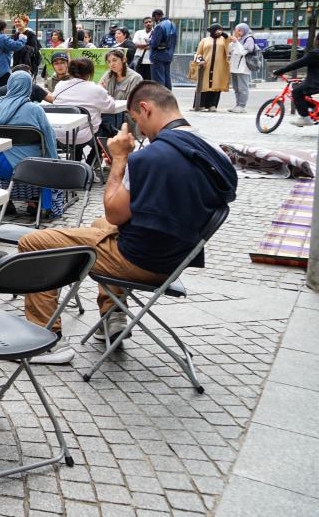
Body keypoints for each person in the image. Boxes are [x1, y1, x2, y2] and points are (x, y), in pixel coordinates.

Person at [17, 81, 237, 363]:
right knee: (98, 225)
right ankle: (113, 316)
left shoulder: (151, 158)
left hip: (142, 260)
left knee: (34, 242)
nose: (139, 131)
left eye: (136, 121)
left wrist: (120, 159)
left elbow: (115, 213)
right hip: (176, 254)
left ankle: (39, 339)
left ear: (145, 109)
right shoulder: (212, 149)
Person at [0, 72, 64, 220]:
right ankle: (36, 203)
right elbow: (49, 137)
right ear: (29, 87)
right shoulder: (35, 109)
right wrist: (55, 162)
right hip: (31, 167)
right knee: (45, 158)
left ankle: (6, 201)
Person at [49, 58, 116, 163]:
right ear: (90, 72)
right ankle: (89, 166)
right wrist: (104, 91)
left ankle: (77, 165)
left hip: (60, 135)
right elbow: (111, 107)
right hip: (84, 136)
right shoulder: (95, 89)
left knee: (81, 128)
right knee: (108, 131)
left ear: (70, 71)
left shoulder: (59, 85)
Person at [0, 18, 28, 107]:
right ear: (4, 28)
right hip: (2, 71)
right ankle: (1, 112)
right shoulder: (3, 38)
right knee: (3, 93)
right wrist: (22, 39)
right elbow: (16, 46)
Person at [273, 45, 319, 126]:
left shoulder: (314, 54)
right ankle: (311, 109)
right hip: (314, 81)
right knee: (303, 90)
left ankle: (305, 118)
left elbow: (296, 64)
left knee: (296, 92)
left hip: (315, 82)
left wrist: (279, 71)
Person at [191, 25, 230, 112]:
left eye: (220, 30)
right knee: (203, 85)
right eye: (216, 30)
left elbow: (230, 40)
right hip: (205, 67)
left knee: (216, 85)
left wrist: (222, 34)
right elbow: (198, 53)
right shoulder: (204, 40)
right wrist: (200, 60)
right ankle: (199, 105)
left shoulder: (224, 40)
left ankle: (212, 105)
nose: (218, 32)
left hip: (218, 67)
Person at [147, 9, 177, 88]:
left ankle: (160, 98)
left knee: (158, 80)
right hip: (168, 55)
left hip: (157, 56)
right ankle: (168, 97)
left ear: (156, 16)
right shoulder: (172, 25)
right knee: (167, 79)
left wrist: (149, 42)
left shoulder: (159, 26)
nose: (153, 21)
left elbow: (154, 43)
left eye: (153, 19)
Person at [227, 23, 252, 113]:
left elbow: (242, 52)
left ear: (242, 31)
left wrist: (236, 42)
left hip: (243, 68)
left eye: (237, 30)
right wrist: (234, 41)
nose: (235, 32)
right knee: (236, 87)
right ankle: (237, 105)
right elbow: (230, 50)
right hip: (235, 67)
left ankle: (242, 106)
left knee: (243, 88)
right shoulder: (239, 39)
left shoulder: (249, 39)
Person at [132, 16, 154, 80]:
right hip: (139, 59)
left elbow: (154, 46)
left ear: (152, 23)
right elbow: (135, 44)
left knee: (150, 79)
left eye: (150, 22)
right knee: (139, 79)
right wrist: (148, 44)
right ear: (143, 24)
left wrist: (142, 46)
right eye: (146, 22)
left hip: (151, 60)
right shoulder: (139, 32)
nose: (148, 23)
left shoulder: (155, 32)